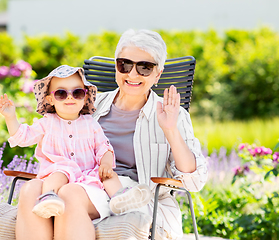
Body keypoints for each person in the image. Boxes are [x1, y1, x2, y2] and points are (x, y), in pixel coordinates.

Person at [13, 29, 208, 240]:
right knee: (31, 189)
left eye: (145, 67)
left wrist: (170, 130)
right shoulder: (87, 105)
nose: (132, 75)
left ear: (157, 74)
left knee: (69, 194)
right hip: (83, 182)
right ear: (116, 67)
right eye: (125, 64)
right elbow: (55, 133)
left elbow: (193, 182)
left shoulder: (172, 114)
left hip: (134, 195)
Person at [0, 65, 151, 222]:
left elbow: (103, 147)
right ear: (50, 99)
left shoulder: (90, 124)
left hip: (87, 176)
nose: (69, 97)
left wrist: (105, 163)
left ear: (85, 98)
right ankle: (49, 198)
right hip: (58, 175)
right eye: (61, 93)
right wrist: (10, 117)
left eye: (77, 93)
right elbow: (23, 137)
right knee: (59, 173)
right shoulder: (47, 123)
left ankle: (121, 198)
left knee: (108, 175)